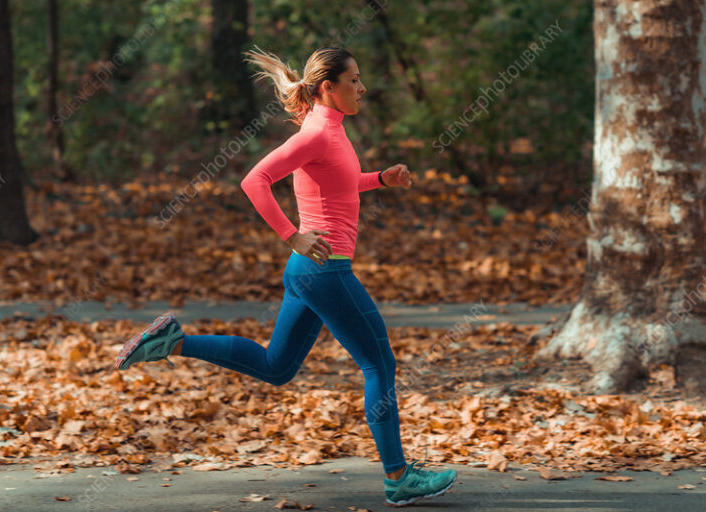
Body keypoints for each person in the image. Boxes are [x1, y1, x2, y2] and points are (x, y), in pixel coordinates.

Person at [114, 45, 456, 507]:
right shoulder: (317, 133)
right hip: (323, 268)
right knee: (380, 365)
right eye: (354, 80)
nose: (363, 87)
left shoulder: (329, 131)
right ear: (327, 88)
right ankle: (398, 477)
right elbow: (254, 180)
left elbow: (340, 181)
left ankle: (172, 341)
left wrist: (381, 179)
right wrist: (292, 235)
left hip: (306, 274)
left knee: (277, 367)